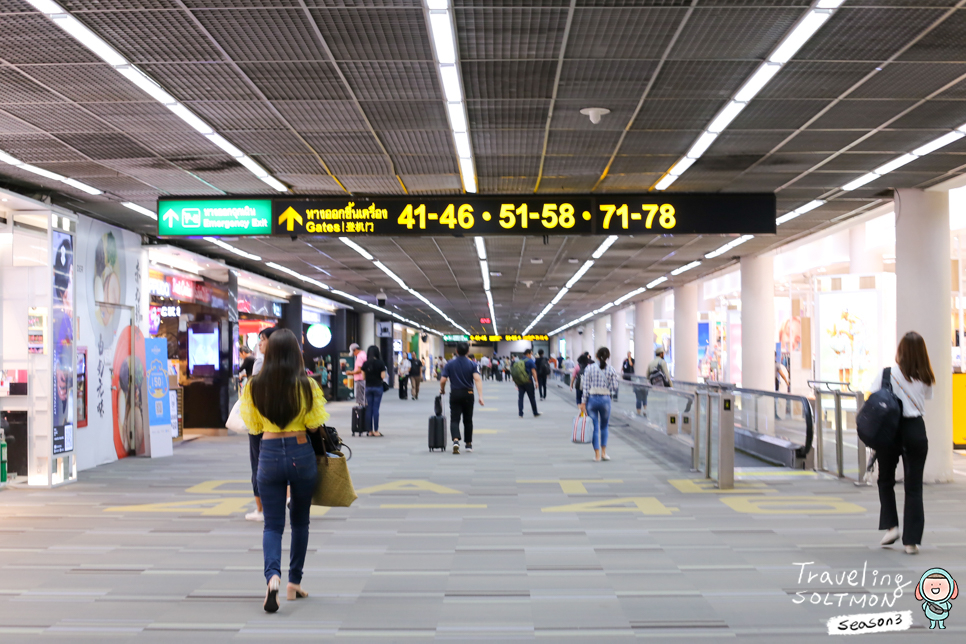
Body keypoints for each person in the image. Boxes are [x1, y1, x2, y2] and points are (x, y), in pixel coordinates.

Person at [240, 328, 328, 613]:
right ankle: (294, 582)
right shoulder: (307, 385)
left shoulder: (253, 386)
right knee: (300, 522)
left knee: (272, 525)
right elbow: (315, 425)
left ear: (269, 351)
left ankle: (272, 578)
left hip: (269, 454)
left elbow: (252, 426)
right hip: (301, 452)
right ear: (296, 353)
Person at [872, 331, 934, 555]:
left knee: (886, 478)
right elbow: (925, 398)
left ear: (901, 351)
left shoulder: (887, 373)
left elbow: (873, 396)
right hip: (916, 429)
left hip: (891, 429)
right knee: (914, 486)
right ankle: (911, 542)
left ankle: (892, 526)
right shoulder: (925, 376)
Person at [245, 327, 276, 523]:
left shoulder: (260, 362)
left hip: (258, 421)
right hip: (281, 422)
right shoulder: (290, 363)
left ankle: (261, 509)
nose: (259, 344)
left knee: (257, 463)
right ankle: (284, 500)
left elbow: (252, 391)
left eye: (263, 339)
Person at [439, 341, 485, 454]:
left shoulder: (449, 364)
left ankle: (455, 441)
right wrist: (480, 396)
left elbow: (443, 380)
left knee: (455, 419)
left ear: (456, 351)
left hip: (455, 393)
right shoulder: (473, 364)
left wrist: (442, 389)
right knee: (468, 420)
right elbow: (477, 379)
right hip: (469, 393)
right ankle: (468, 444)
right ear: (468, 351)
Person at [579, 347, 621, 462]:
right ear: (608, 357)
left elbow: (585, 387)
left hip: (592, 400)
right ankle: (604, 453)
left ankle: (596, 455)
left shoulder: (589, 369)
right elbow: (614, 388)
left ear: (596, 356)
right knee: (604, 426)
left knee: (594, 428)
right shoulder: (611, 370)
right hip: (605, 400)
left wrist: (583, 402)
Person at [362, 345, 387, 437]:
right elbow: (383, 376)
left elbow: (363, 377)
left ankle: (369, 431)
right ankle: (376, 430)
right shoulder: (380, 363)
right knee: (376, 409)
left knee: (369, 409)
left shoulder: (365, 363)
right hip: (378, 387)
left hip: (368, 387)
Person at [641, 348, 671, 416]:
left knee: (654, 405)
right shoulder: (662, 362)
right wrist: (671, 386)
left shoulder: (651, 363)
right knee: (662, 406)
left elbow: (647, 376)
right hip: (662, 389)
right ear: (661, 354)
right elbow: (667, 375)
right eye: (663, 353)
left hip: (653, 389)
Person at [513, 348, 541, 417]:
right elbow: (534, 372)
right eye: (531, 354)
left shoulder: (519, 361)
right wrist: (536, 382)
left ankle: (520, 413)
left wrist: (516, 382)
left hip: (520, 382)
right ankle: (535, 412)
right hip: (528, 382)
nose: (531, 355)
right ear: (528, 354)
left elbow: (516, 372)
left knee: (520, 398)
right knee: (532, 397)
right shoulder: (530, 361)